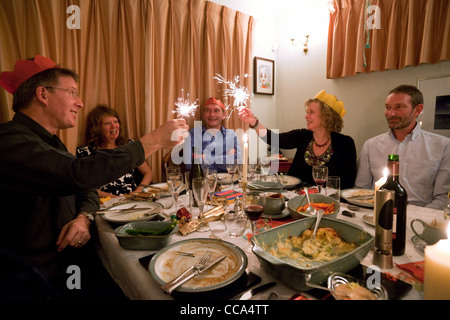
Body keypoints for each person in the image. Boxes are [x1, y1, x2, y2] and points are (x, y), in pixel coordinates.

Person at [0, 55, 188, 299]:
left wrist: (83, 217)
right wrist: (152, 141)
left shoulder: (52, 143)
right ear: (43, 95)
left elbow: (84, 186)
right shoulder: (10, 141)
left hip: (74, 260)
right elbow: (78, 174)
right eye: (72, 92)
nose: (79, 102)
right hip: (40, 279)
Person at [355, 84, 450, 209]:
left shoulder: (442, 146)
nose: (391, 113)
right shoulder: (371, 145)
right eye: (387, 107)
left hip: (419, 220)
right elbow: (361, 190)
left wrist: (413, 219)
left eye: (399, 107)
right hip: (375, 215)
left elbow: (442, 198)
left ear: (417, 110)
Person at [238, 90, 357, 189]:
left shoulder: (345, 144)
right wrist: (254, 122)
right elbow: (273, 139)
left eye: (311, 112)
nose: (306, 116)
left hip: (327, 205)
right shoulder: (303, 136)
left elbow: (347, 183)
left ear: (327, 116)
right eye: (307, 112)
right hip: (293, 199)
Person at [77, 105, 153, 198]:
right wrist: (115, 199)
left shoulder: (128, 146)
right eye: (107, 123)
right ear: (98, 128)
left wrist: (137, 191)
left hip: (132, 200)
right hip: (104, 203)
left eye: (116, 122)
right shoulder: (86, 153)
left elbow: (148, 173)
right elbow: (85, 187)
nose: (114, 126)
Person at [182, 97, 242, 172]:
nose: (212, 114)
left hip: (227, 181)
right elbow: (189, 164)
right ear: (204, 115)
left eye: (216, 111)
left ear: (224, 115)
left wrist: (204, 157)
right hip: (202, 181)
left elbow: (238, 162)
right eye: (208, 111)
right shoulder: (192, 134)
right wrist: (226, 158)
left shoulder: (231, 135)